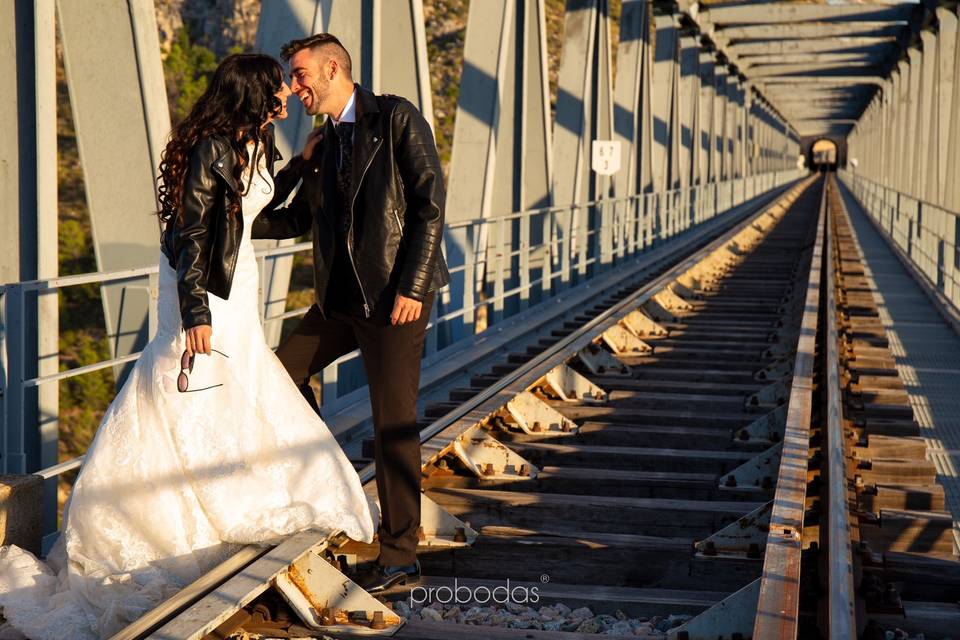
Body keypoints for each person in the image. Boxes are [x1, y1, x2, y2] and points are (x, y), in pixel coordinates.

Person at [0, 53, 376, 640]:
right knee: (188, 392)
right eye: (278, 88)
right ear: (253, 93)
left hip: (238, 285)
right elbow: (188, 235)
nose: (285, 96)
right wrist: (196, 312)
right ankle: (173, 523)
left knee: (236, 387)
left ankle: (227, 498)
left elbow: (258, 220)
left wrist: (302, 170)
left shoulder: (257, 143)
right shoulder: (212, 147)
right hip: (203, 291)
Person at [251, 33, 450, 593]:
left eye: (299, 75)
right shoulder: (322, 141)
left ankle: (400, 556)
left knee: (393, 425)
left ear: (332, 67)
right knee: (281, 373)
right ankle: (330, 483)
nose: (294, 87)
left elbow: (429, 206)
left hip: (393, 298)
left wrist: (412, 285)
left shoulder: (395, 118)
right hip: (339, 300)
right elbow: (293, 222)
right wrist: (236, 222)